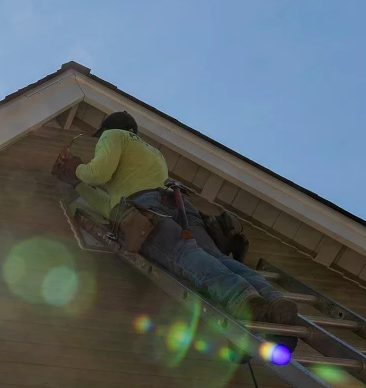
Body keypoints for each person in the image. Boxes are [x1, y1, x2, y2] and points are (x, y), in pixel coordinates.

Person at [64, 111, 298, 325]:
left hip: (146, 207)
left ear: (108, 129)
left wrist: (76, 169)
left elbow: (98, 173)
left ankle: (241, 297)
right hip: (177, 204)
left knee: (184, 254)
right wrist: (78, 185)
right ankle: (272, 298)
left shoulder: (114, 135)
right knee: (214, 256)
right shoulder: (153, 152)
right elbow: (112, 207)